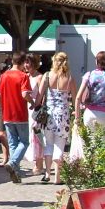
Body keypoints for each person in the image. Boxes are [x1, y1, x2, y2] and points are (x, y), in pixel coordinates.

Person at [36, 52, 73, 186]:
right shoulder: (69, 78)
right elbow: (75, 97)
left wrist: (35, 107)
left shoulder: (47, 76)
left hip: (49, 115)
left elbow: (39, 95)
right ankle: (57, 176)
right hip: (63, 115)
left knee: (49, 144)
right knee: (59, 145)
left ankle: (47, 173)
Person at [0, 51, 34, 184]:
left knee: (13, 143)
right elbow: (24, 94)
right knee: (24, 142)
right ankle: (13, 163)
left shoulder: (4, 76)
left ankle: (15, 173)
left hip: (7, 114)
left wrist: (4, 105)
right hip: (20, 114)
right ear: (23, 62)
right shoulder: (23, 76)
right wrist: (32, 102)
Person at [73, 50, 105, 134]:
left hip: (89, 113)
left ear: (97, 61)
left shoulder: (89, 75)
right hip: (104, 113)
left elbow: (78, 97)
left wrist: (77, 118)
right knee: (103, 140)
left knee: (89, 140)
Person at [25, 55, 47, 177]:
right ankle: (37, 164)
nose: (26, 65)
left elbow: (44, 95)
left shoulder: (39, 77)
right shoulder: (27, 76)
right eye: (25, 62)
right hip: (28, 109)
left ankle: (39, 165)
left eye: (28, 62)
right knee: (31, 137)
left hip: (37, 110)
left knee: (37, 136)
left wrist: (40, 109)